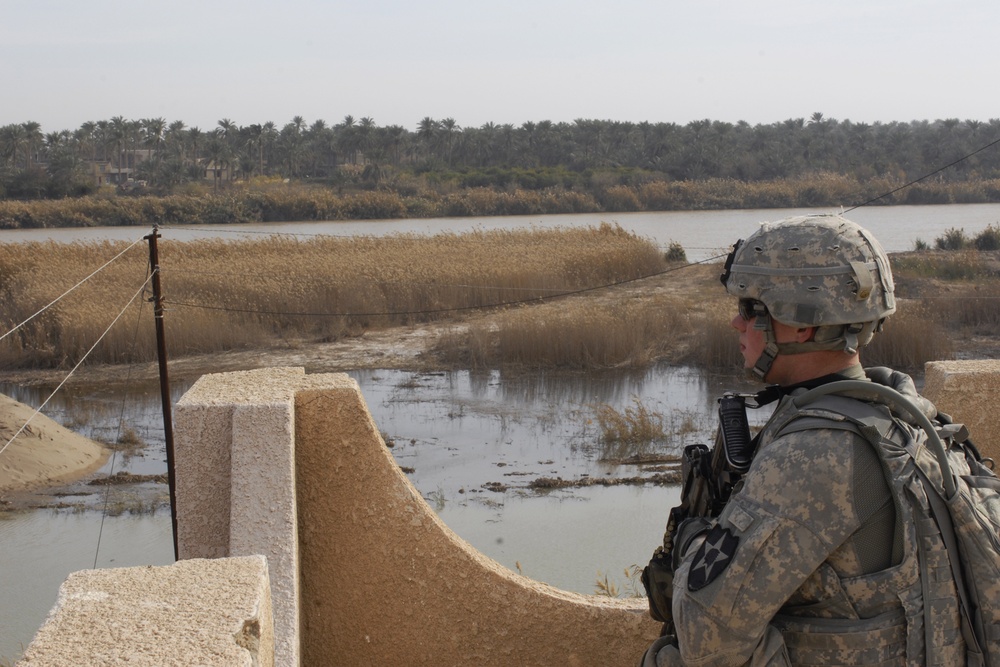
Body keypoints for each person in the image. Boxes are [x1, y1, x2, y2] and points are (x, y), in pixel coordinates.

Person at [641, 214, 965, 666]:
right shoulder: (901, 415)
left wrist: (694, 540)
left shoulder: (815, 456)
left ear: (801, 326)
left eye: (751, 309)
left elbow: (706, 640)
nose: (737, 323)